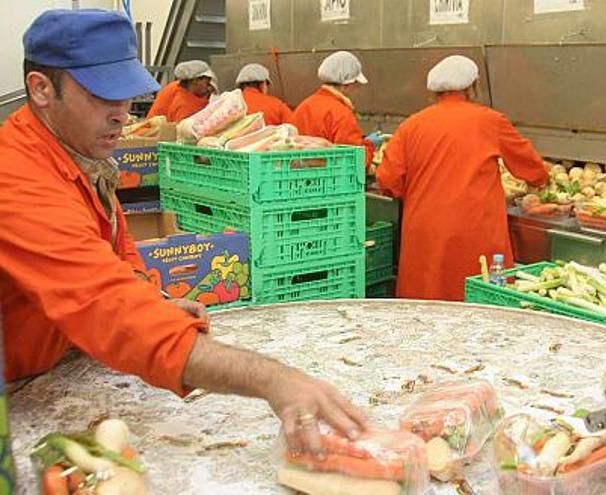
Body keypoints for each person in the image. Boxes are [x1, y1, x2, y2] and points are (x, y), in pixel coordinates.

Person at [0, 9, 365, 457]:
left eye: (126, 97)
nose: (122, 115)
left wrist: (155, 299)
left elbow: (118, 256)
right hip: (16, 391)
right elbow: (105, 306)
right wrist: (274, 379)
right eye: (102, 96)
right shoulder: (16, 179)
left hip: (53, 370)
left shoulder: (79, 155)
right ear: (41, 89)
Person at [376, 55, 549, 301]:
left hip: (425, 233)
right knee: (478, 301)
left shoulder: (410, 126)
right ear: (472, 87)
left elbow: (387, 181)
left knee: (425, 301)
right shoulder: (490, 121)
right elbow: (533, 170)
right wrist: (542, 181)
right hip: (476, 233)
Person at [291, 51, 380, 171]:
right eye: (356, 84)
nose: (356, 89)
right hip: (328, 183)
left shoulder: (304, 106)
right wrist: (370, 145)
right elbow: (354, 162)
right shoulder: (341, 114)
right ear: (345, 85)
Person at [146, 60, 210, 120]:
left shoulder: (177, 86)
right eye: (207, 83)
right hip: (156, 130)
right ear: (195, 81)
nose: (208, 88)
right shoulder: (184, 101)